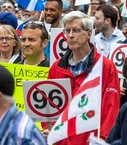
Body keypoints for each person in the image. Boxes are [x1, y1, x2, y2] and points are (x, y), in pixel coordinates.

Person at [43, 11, 120, 144]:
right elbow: (48, 105)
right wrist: (49, 129)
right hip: (61, 140)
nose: (71, 35)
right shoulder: (57, 67)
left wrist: (100, 141)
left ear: (89, 33)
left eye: (76, 30)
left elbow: (110, 109)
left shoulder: (105, 66)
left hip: (91, 140)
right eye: (67, 31)